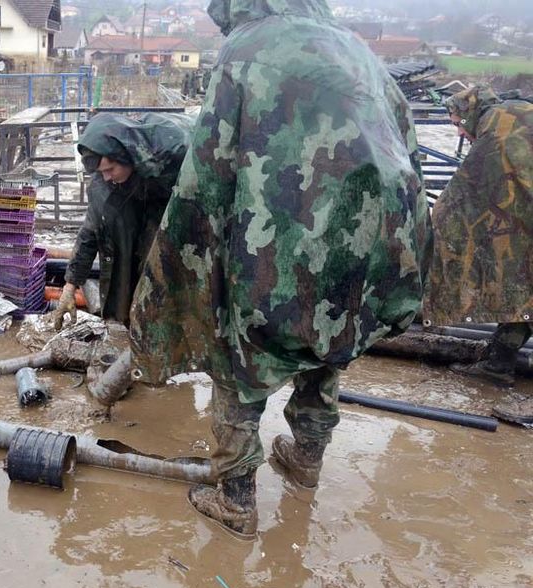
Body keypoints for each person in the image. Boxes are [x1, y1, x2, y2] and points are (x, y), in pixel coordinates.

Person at [129, 0, 430, 538]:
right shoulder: (360, 52)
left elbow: (209, 166)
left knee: (239, 362)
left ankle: (237, 498)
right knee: (325, 347)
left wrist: (183, 263)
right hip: (363, 243)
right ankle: (306, 461)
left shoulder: (246, 49)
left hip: (276, 242)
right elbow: (409, 156)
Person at [427, 86, 532, 425]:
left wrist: (434, 224)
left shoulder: (498, 123)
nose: (458, 131)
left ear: (471, 111)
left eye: (458, 122)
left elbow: (462, 191)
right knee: (523, 282)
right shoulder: (512, 112)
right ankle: (498, 364)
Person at [53, 112, 191, 330]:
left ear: (125, 155)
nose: (106, 177)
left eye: (110, 169)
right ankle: (125, 321)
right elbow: (92, 229)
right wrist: (70, 286)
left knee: (159, 260)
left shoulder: (176, 150)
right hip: (143, 189)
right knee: (116, 231)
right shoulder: (108, 179)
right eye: (101, 172)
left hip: (179, 197)